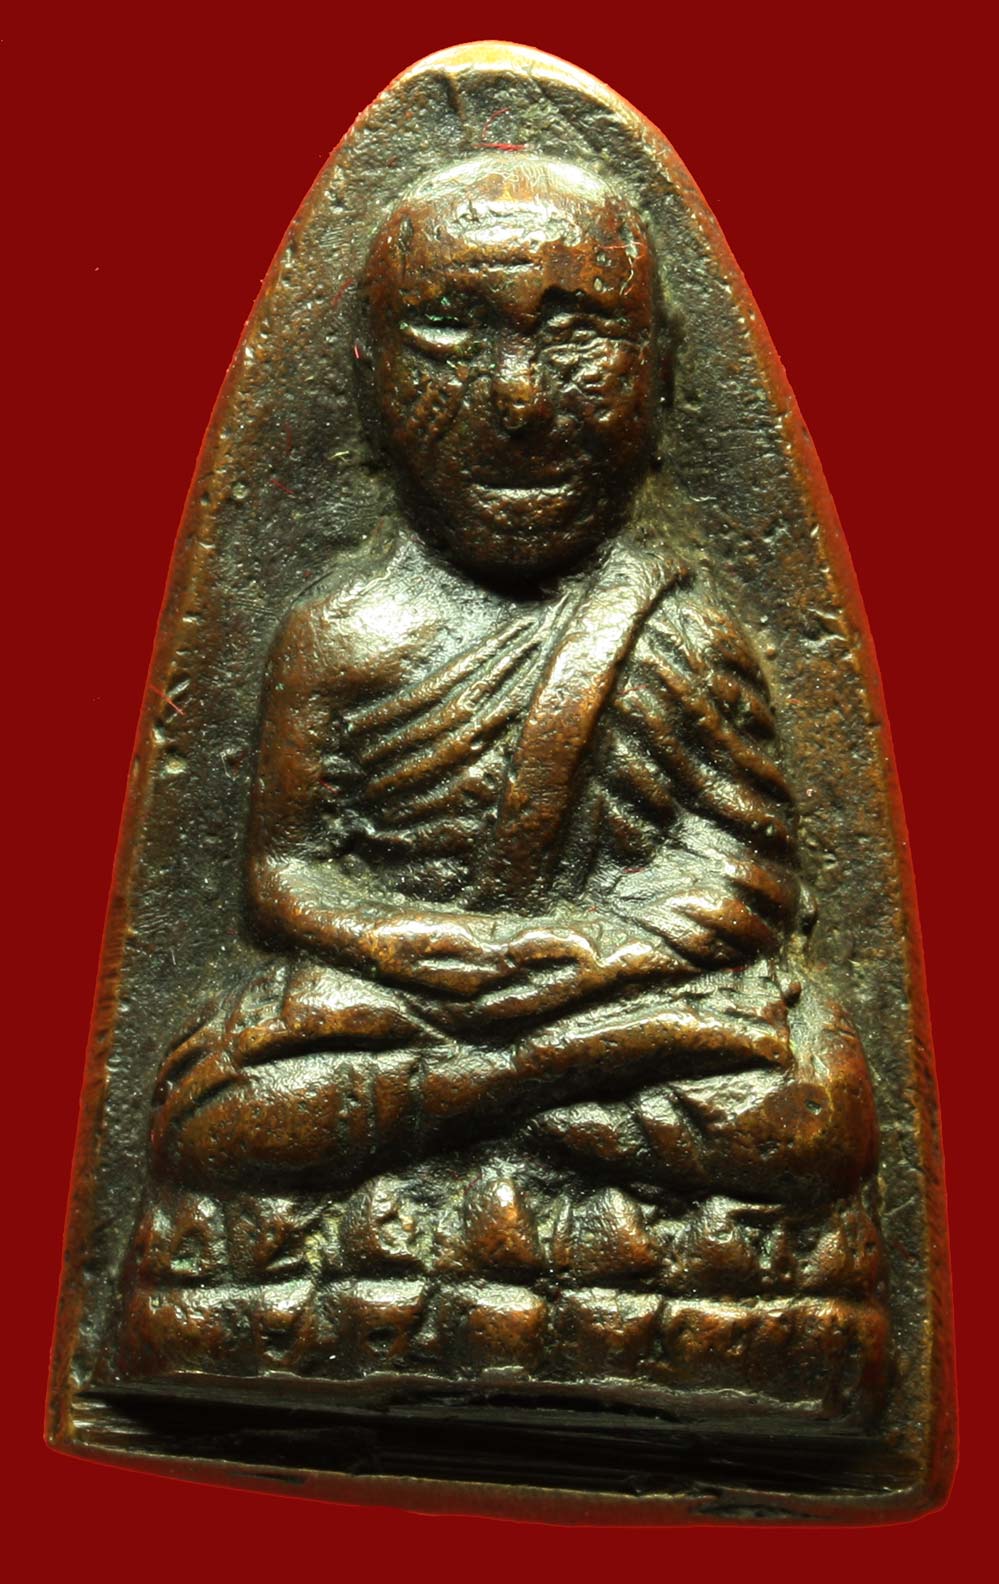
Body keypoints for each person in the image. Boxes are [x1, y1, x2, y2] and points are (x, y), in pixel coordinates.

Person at [117, 156, 886, 1415]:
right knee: (218, 1103)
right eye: (448, 335)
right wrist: (401, 943)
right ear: (368, 379)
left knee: (809, 1105)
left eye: (576, 336)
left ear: (660, 374)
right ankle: (527, 1094)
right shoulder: (341, 632)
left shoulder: (681, 629)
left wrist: (590, 956)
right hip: (424, 1008)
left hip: (604, 1003)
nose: (518, 400)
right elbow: (283, 873)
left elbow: (748, 878)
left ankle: (492, 1105)